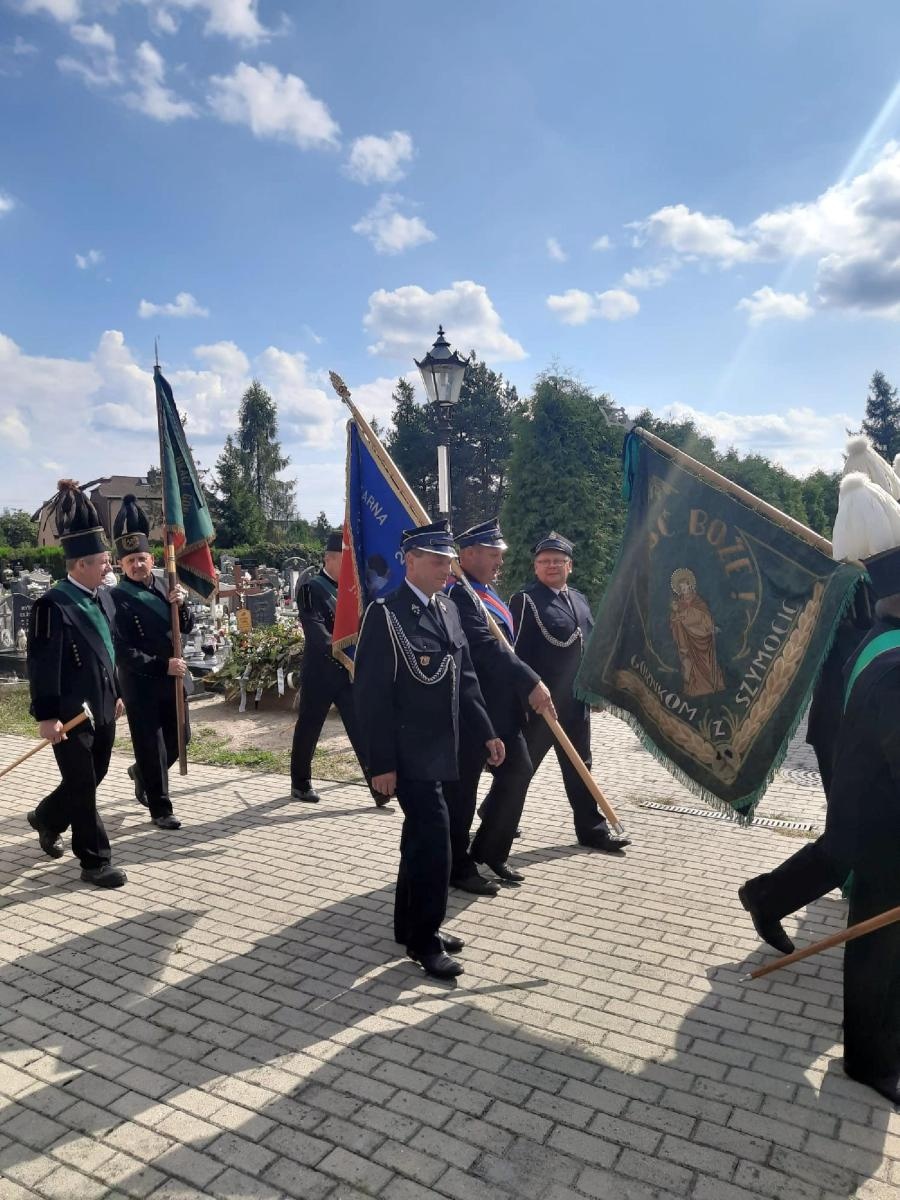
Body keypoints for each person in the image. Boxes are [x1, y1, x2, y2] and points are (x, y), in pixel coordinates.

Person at [354, 520, 504, 980]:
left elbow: (468, 679)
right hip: (410, 753)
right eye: (437, 560)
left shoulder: (449, 608)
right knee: (435, 842)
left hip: (450, 749)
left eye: (448, 560)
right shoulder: (385, 614)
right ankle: (425, 940)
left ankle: (408, 924)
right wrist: (380, 765)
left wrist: (487, 732)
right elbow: (371, 698)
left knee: (419, 840)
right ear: (410, 561)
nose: (446, 568)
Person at [738, 586, 873, 955]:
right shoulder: (854, 587)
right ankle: (768, 897)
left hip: (861, 729)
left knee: (859, 836)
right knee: (853, 836)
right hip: (849, 731)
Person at [820, 540, 900, 1105]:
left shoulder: (882, 642)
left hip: (876, 820)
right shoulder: (893, 665)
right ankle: (869, 1059)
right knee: (879, 944)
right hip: (884, 832)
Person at [26, 480, 127, 888]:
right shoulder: (52, 605)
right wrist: (47, 715)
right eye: (103, 561)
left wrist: (117, 694)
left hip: (102, 707)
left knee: (94, 774)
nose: (109, 567)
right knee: (84, 787)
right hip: (69, 714)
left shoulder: (102, 597)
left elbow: (109, 650)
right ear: (80, 563)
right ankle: (94, 861)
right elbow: (42, 666)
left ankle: (47, 816)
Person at [445, 519, 555, 894]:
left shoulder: (484, 592)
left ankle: (490, 849)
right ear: (468, 555)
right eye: (493, 555)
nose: (499, 562)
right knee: (463, 792)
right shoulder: (459, 596)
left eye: (500, 555)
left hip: (502, 712)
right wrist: (530, 681)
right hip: (473, 711)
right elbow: (486, 649)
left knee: (518, 772)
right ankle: (457, 867)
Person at [510, 532, 630, 852]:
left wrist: (595, 692)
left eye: (557, 561)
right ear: (535, 567)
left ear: (570, 566)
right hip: (541, 705)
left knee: (580, 766)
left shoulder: (578, 598)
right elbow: (516, 655)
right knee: (522, 768)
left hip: (575, 703)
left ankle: (593, 831)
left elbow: (586, 648)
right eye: (544, 561)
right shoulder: (526, 600)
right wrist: (526, 696)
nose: (551, 566)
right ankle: (497, 822)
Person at [110, 495, 192, 831]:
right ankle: (160, 809)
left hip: (174, 681)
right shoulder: (114, 598)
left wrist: (183, 605)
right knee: (152, 746)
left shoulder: (167, 585)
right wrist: (162, 666)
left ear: (151, 557)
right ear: (121, 565)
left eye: (141, 558)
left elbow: (184, 627)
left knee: (179, 741)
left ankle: (141, 773)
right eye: (130, 561)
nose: (137, 565)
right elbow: (121, 650)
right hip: (141, 683)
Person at [290, 530, 385, 806]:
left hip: (348, 672)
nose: (349, 566)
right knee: (309, 726)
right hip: (321, 671)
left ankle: (377, 786)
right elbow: (316, 632)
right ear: (329, 559)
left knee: (360, 727)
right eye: (344, 560)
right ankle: (300, 782)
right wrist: (346, 651)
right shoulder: (312, 588)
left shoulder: (349, 590)